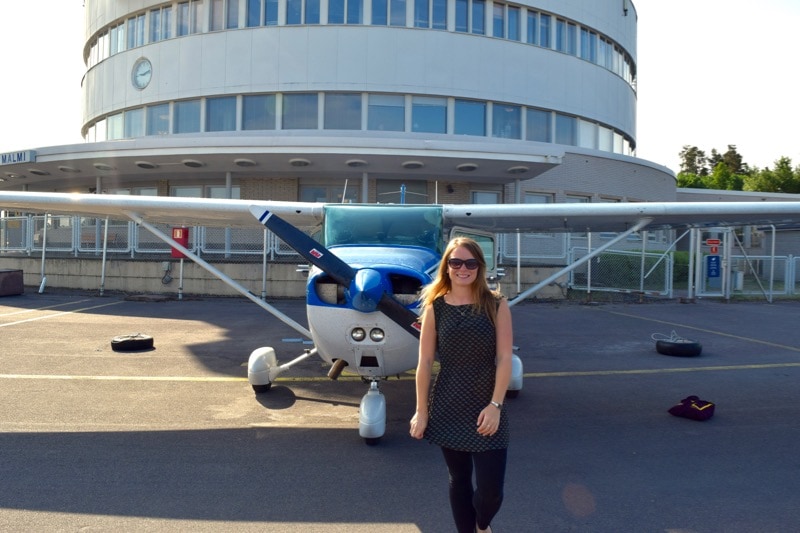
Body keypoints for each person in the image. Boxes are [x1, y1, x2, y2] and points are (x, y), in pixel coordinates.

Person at [410, 236, 514, 533]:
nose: (463, 268)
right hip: (448, 405)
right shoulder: (435, 308)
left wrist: (495, 405)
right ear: (447, 267)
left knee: (491, 491)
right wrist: (421, 411)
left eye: (470, 263)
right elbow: (425, 362)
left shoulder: (496, 305)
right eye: (456, 262)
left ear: (480, 267)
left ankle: (482, 525)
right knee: (459, 480)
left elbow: (505, 358)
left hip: (487, 405)